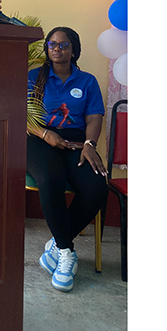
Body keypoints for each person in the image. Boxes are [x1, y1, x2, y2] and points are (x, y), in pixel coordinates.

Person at [26, 26, 108, 292]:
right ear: (47, 49)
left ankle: (57, 244)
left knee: (97, 186)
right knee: (51, 178)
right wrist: (45, 134)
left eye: (63, 45)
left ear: (74, 50)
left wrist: (89, 145)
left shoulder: (87, 81)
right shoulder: (33, 77)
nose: (57, 49)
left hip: (75, 141)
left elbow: (94, 118)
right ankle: (65, 253)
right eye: (52, 44)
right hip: (37, 139)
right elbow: (21, 113)